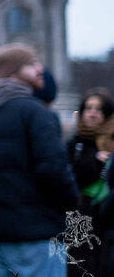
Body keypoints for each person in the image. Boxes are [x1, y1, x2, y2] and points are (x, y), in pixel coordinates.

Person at [0, 43, 79, 277]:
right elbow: (54, 170)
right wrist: (71, 202)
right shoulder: (37, 113)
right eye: (31, 64)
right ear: (14, 71)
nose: (40, 69)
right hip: (36, 233)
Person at [67, 88, 114, 275]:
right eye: (88, 108)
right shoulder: (75, 144)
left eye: (98, 109)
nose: (92, 112)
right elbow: (70, 176)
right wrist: (95, 161)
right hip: (80, 217)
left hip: (108, 218)